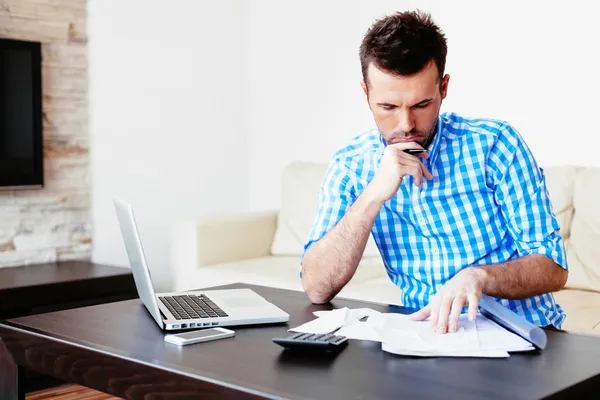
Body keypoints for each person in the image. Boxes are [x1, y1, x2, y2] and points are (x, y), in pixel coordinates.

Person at [300, 10, 568, 334]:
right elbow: (316, 288)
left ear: (443, 87)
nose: (406, 125)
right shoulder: (351, 167)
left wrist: (480, 276)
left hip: (521, 334)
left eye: (421, 104)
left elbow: (553, 268)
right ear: (365, 93)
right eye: (388, 107)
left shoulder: (495, 146)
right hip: (425, 338)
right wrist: (372, 196)